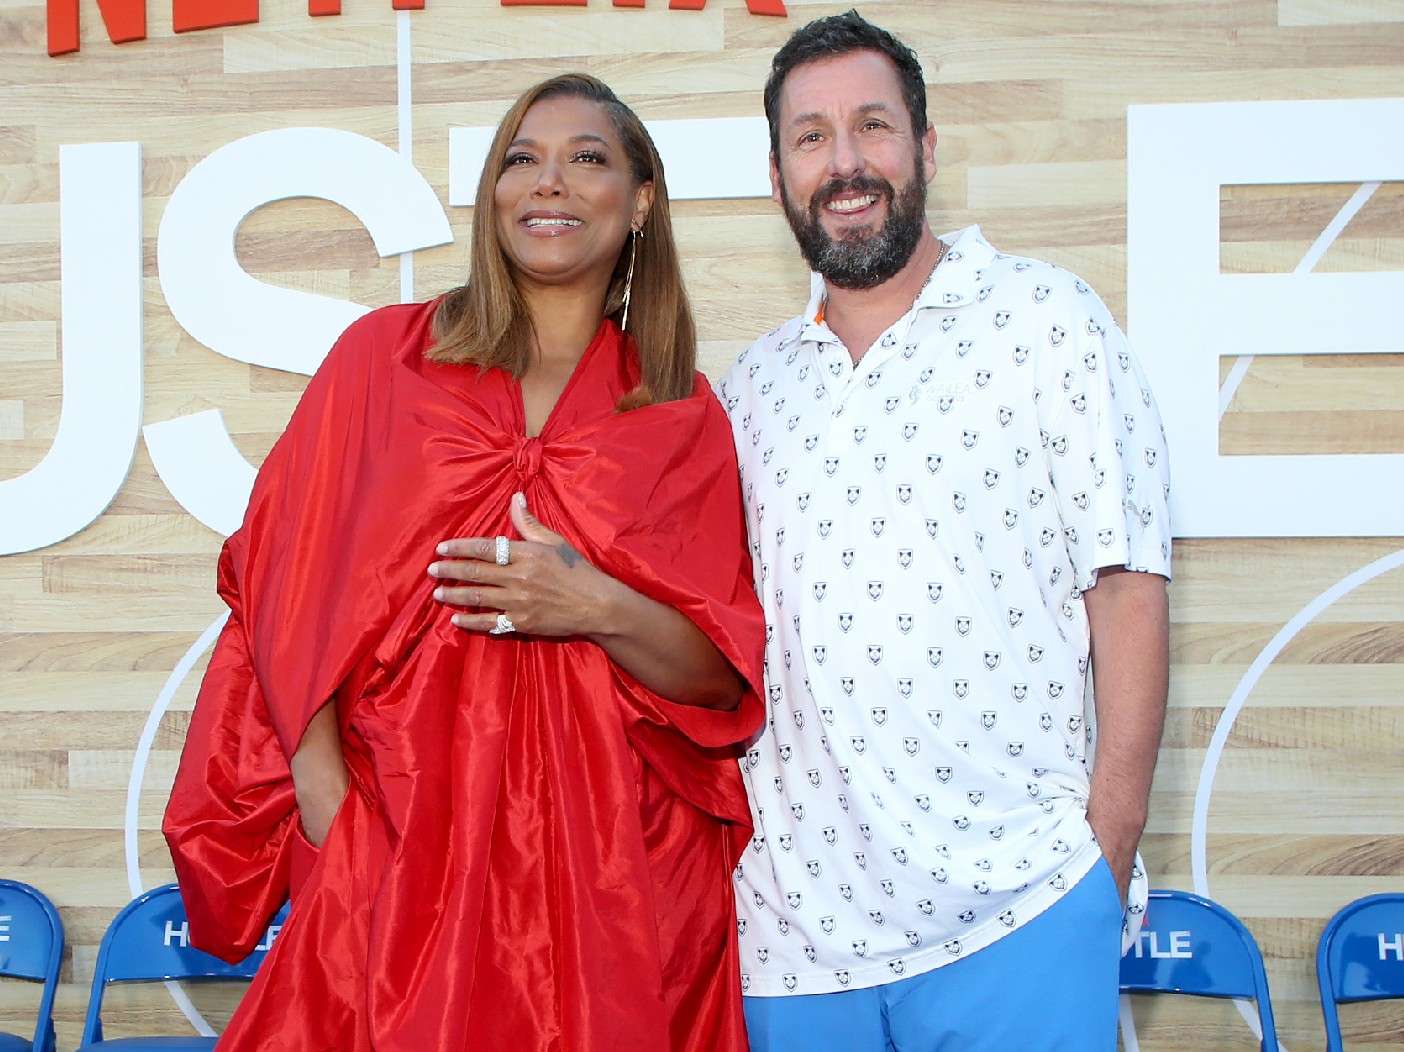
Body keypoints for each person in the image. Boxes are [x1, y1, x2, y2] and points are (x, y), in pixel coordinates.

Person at [163, 73, 764, 1052]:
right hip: (402, 841)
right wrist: (320, 786)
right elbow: (282, 576)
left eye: (587, 158)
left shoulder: (676, 412)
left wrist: (595, 602)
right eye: (520, 159)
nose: (549, 182)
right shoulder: (383, 359)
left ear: (642, 199)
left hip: (613, 869)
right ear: (490, 195)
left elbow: (717, 675)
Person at [716, 12, 1171, 1051]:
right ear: (779, 173)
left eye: (873, 126)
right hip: (794, 948)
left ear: (925, 147)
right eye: (811, 136)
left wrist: (1102, 857)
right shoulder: (751, 390)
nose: (845, 162)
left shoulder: (1048, 321)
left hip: (1018, 918)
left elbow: (1129, 587)